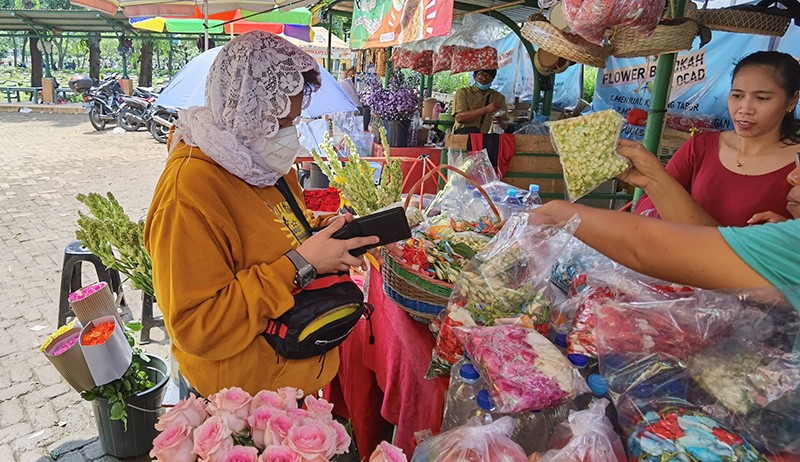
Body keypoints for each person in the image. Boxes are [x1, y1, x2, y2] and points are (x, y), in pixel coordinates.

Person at [144, 31, 378, 397]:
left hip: (292, 385)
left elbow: (277, 226)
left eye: (295, 121)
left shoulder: (264, 164)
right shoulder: (188, 191)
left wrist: (329, 233)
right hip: (241, 405)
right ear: (247, 110)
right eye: (281, 123)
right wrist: (301, 264)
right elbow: (195, 327)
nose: (290, 136)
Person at [533, 139, 800, 306]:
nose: (792, 176)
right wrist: (653, 181)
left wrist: (560, 211)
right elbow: (706, 244)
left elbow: (647, 246)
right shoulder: (703, 144)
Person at [634, 51, 800, 227]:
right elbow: (649, 202)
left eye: (762, 98)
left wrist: (788, 234)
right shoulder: (701, 146)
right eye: (737, 95)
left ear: (792, 100)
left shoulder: (796, 168)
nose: (744, 109)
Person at [452, 69, 507, 134]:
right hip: (463, 136)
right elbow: (460, 118)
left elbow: (505, 125)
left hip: (485, 138)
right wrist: (487, 109)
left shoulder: (499, 97)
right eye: (480, 75)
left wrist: (500, 122)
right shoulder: (463, 93)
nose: (484, 79)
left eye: (488, 76)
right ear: (474, 76)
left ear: (493, 79)